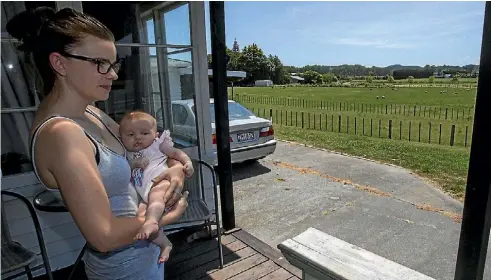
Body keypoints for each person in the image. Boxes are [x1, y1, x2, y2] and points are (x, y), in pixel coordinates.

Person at [7, 7, 188, 279]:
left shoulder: (91, 112)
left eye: (114, 64)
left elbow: (146, 146)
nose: (113, 74)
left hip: (145, 255)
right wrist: (164, 218)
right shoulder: (60, 134)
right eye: (100, 63)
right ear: (60, 63)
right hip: (123, 270)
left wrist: (174, 166)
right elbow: (103, 236)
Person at [119, 110, 194, 263]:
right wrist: (133, 164)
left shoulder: (157, 145)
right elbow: (125, 169)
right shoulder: (126, 153)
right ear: (122, 137)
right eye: (131, 135)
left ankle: (152, 222)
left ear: (155, 134)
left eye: (144, 133)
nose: (138, 137)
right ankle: (165, 243)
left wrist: (187, 163)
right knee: (140, 214)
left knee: (153, 208)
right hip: (144, 193)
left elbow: (176, 153)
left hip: (160, 183)